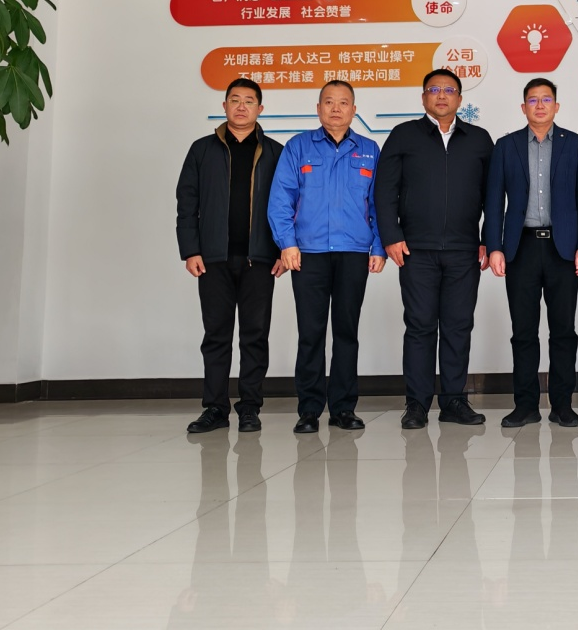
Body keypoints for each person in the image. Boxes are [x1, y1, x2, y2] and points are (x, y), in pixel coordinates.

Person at [375, 68, 494, 430]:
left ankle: (454, 400)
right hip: (416, 250)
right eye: (434, 90)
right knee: (420, 327)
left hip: (463, 250)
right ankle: (416, 404)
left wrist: (488, 239)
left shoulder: (478, 139)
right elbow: (384, 190)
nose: (442, 96)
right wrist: (391, 236)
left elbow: (492, 195)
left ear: (460, 99)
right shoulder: (403, 135)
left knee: (458, 326)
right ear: (424, 97)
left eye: (449, 90)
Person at [267, 80, 386, 434]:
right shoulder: (298, 147)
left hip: (353, 252)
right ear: (318, 109)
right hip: (309, 254)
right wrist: (287, 244)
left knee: (347, 332)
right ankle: (308, 409)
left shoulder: (369, 150)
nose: (336, 108)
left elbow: (380, 203)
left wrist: (379, 246)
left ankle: (344, 408)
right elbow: (281, 199)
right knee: (311, 333)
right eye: (329, 102)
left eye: (343, 102)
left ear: (354, 110)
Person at [483, 78, 578, 429]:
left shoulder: (574, 145)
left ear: (557, 106)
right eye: (533, 100)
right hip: (521, 248)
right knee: (523, 332)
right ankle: (526, 405)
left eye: (547, 99)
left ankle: (563, 405)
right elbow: (493, 201)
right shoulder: (506, 146)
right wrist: (495, 246)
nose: (540, 105)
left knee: (563, 331)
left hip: (563, 249)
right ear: (523, 108)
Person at [176, 78, 283, 434]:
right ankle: (215, 408)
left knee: (255, 335)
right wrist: (191, 250)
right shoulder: (201, 150)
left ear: (260, 109)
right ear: (224, 106)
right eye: (234, 100)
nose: (241, 106)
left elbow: (289, 205)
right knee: (216, 336)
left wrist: (283, 248)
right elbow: (187, 202)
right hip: (213, 259)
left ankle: (250, 408)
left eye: (249, 101)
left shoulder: (276, 152)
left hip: (260, 259)